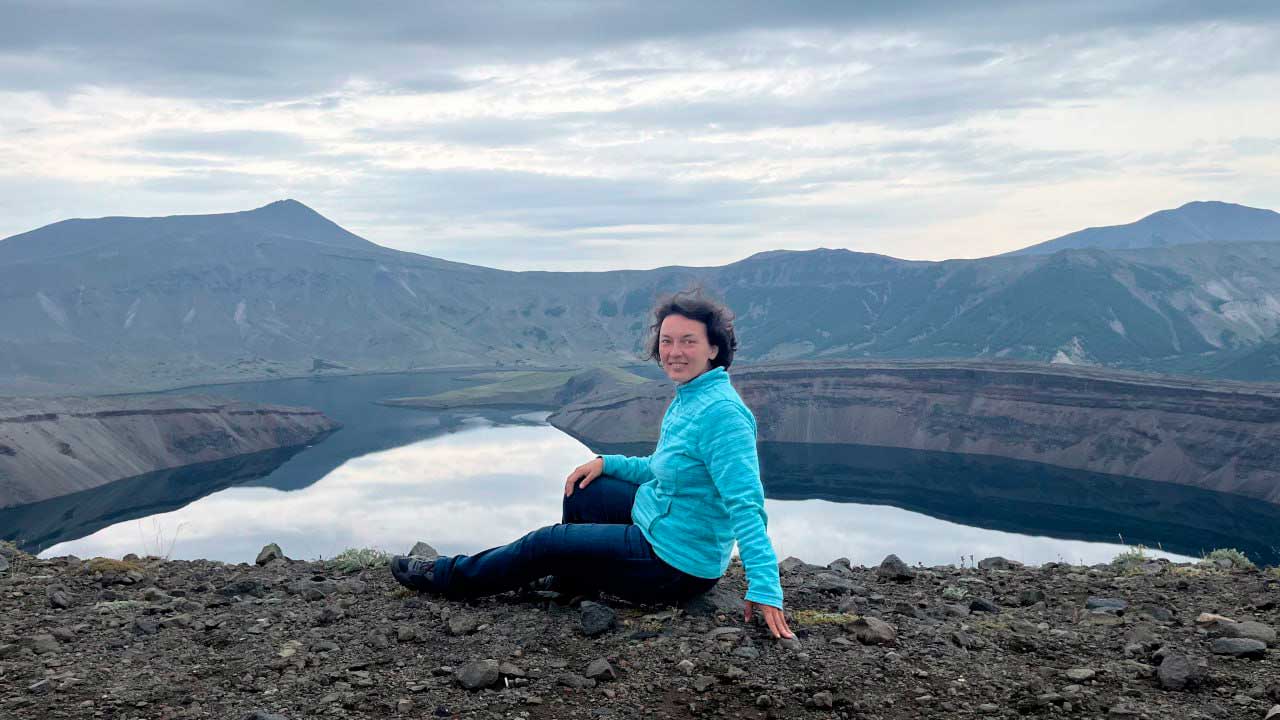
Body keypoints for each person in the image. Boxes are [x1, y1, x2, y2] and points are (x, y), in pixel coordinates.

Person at [390, 290, 793, 639]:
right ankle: (572, 583)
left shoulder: (722, 414)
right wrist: (607, 461)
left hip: (675, 564)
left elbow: (746, 502)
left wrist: (765, 584)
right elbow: (663, 467)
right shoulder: (691, 397)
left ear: (714, 348)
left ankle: (447, 576)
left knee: (546, 542)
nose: (674, 351)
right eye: (667, 341)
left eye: (688, 341)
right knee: (588, 489)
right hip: (663, 522)